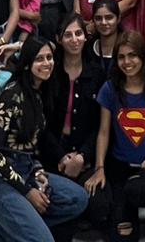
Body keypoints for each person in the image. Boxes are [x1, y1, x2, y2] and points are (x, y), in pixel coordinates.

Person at [0, 34, 89, 242]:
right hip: (1, 177)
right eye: (39, 59)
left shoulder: (40, 92)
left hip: (27, 167)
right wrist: (28, 191)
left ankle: (2, 227)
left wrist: (38, 172)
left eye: (49, 58)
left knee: (78, 198)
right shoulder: (12, 94)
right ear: (28, 64)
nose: (46, 63)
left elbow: (31, 146)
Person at [85, 31, 145, 242]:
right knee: (121, 235)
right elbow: (104, 132)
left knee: (137, 189)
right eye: (121, 57)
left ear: (143, 56)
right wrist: (99, 168)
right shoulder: (110, 89)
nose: (127, 62)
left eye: (132, 55)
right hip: (120, 168)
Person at [40, 14, 108, 225]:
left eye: (78, 33)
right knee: (49, 203)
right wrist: (62, 157)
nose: (74, 39)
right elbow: (41, 123)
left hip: (83, 153)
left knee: (101, 209)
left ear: (86, 37)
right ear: (59, 39)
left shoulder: (96, 73)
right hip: (52, 153)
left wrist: (82, 156)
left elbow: (100, 124)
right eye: (68, 35)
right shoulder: (49, 72)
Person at [89, 0, 123, 75]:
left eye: (109, 17)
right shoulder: (87, 49)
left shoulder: (129, 47)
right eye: (98, 18)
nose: (103, 22)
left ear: (118, 18)